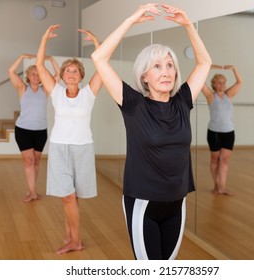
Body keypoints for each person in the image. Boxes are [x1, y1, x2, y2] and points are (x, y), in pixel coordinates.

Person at [92, 3, 212, 260]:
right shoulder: (133, 104)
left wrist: (188, 24)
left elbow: (204, 63)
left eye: (170, 65)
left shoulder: (182, 102)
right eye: (157, 66)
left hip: (177, 202)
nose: (166, 71)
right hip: (142, 202)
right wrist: (130, 21)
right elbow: (99, 58)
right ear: (144, 76)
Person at [36, 25, 102, 254]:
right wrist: (44, 38)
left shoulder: (88, 94)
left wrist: (96, 42)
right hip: (60, 148)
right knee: (67, 197)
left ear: (81, 75)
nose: (71, 74)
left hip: (83, 149)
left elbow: (103, 67)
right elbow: (39, 66)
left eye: (75, 71)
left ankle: (69, 236)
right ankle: (76, 241)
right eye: (68, 71)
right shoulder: (55, 92)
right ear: (62, 76)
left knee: (74, 199)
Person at [8, 53, 60, 202]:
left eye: (38, 74)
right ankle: (32, 193)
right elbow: (11, 72)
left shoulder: (45, 90)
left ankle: (31, 190)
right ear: (28, 76)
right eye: (33, 74)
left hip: (40, 131)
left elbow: (59, 75)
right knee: (29, 161)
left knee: (36, 162)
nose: (36, 76)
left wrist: (51, 60)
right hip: (23, 130)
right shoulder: (22, 88)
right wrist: (21, 57)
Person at [201, 64, 242, 195]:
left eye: (224, 82)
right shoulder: (210, 96)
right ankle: (217, 185)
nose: (222, 85)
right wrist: (208, 68)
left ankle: (222, 187)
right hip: (214, 132)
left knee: (224, 160)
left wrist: (235, 69)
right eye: (219, 82)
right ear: (213, 84)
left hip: (229, 132)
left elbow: (240, 82)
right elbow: (200, 81)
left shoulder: (229, 94)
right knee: (215, 159)